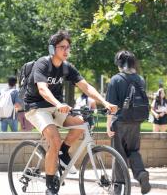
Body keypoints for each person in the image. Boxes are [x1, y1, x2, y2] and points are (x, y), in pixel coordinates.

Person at [24, 30, 117, 195]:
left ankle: (63, 151)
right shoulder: (43, 64)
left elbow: (86, 87)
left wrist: (104, 102)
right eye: (62, 47)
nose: (66, 51)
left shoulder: (67, 68)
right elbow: (43, 89)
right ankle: (50, 184)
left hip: (57, 108)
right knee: (54, 139)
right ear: (53, 49)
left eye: (68, 47)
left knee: (83, 123)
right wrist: (59, 103)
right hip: (36, 107)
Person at [106, 50, 151, 194]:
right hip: (136, 122)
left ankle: (118, 188)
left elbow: (111, 106)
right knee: (133, 151)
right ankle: (141, 174)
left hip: (119, 122)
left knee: (118, 154)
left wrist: (108, 125)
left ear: (119, 63)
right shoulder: (140, 79)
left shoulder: (116, 79)